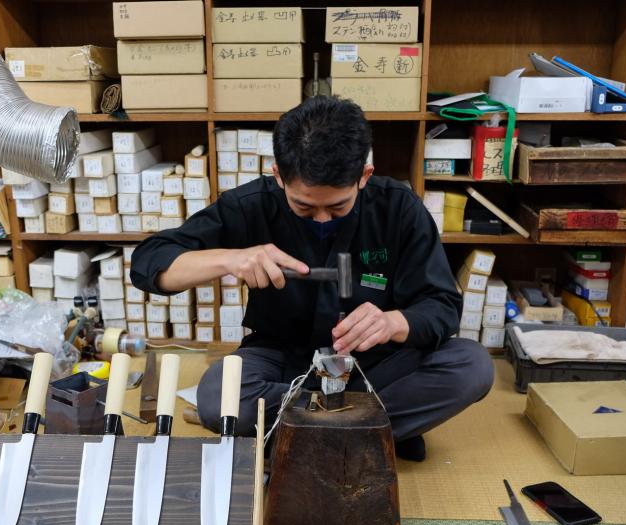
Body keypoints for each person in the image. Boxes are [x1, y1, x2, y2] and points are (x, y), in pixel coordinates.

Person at [131, 96, 494, 461]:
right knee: (217, 396)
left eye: (338, 207)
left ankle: (302, 436)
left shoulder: (399, 208)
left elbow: (443, 306)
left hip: (374, 366)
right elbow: (149, 263)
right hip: (282, 363)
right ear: (278, 176)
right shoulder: (251, 205)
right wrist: (230, 259)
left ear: (363, 176)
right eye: (303, 207)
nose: (322, 219)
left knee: (471, 366)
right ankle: (370, 430)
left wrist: (392, 322)